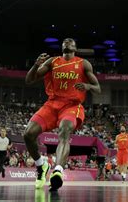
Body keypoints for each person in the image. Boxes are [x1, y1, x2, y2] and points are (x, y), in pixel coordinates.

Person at [24, 38, 101, 191]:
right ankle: (41, 166)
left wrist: (86, 85)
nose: (67, 41)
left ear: (75, 47)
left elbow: (97, 88)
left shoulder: (83, 64)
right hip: (52, 104)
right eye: (65, 41)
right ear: (62, 46)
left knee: (64, 131)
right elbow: (29, 80)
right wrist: (35, 65)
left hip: (71, 106)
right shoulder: (53, 61)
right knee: (28, 134)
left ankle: (58, 170)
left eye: (70, 41)